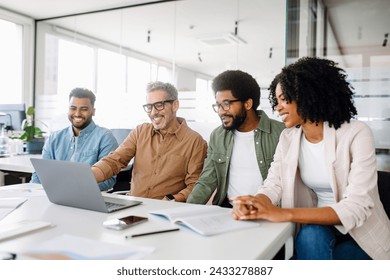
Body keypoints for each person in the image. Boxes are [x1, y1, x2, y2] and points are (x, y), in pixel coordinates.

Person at [231, 57, 390, 260]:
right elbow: (274, 183)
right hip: (318, 226)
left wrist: (284, 214)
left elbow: (357, 206)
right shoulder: (288, 138)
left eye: (284, 99)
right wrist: (257, 202)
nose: (278, 107)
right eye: (276, 100)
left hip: (361, 233)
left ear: (307, 95)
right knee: (310, 236)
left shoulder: (356, 133)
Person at [92, 81, 207, 202]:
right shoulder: (140, 132)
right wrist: (88, 176)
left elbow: (194, 185)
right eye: (149, 107)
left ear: (175, 105)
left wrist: (173, 198)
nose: (153, 112)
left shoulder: (195, 141)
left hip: (166, 211)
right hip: (133, 207)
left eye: (159, 105)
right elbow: (114, 161)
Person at [187, 70, 285, 207]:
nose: (221, 111)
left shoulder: (282, 133)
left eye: (226, 104)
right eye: (218, 105)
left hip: (270, 210)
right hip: (229, 210)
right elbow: (206, 181)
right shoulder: (218, 136)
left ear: (247, 104)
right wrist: (186, 209)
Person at [30, 88, 119, 191]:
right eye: (73, 108)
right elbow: (40, 174)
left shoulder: (105, 137)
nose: (77, 113)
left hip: (87, 199)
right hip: (54, 197)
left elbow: (108, 181)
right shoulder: (54, 138)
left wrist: (71, 189)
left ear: (93, 111)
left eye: (84, 109)